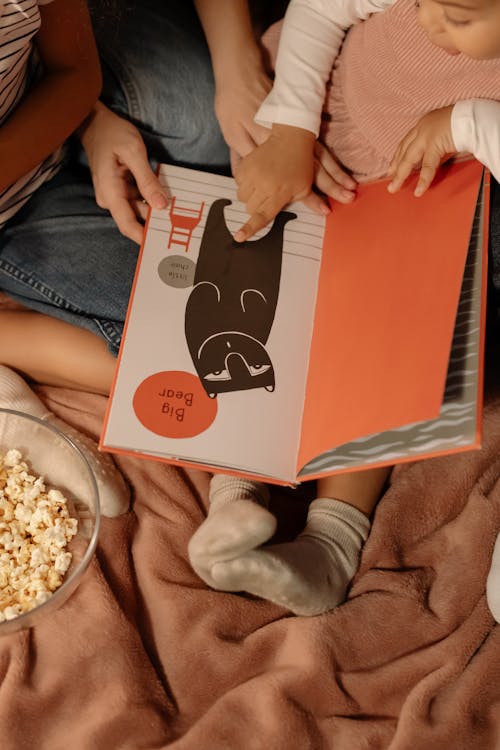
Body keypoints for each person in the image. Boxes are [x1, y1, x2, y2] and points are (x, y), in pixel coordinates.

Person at [187, 0, 500, 618]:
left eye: (459, 19)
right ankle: (235, 493)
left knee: (380, 354)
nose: (432, 23)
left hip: (405, 209)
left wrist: (469, 122)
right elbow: (318, 10)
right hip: (310, 139)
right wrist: (293, 130)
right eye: (426, 3)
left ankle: (330, 543)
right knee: (246, 304)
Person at [0, 2, 277, 515]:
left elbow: (73, 70)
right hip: (15, 216)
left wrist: (91, 119)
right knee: (177, 317)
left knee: (212, 130)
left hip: (47, 99)